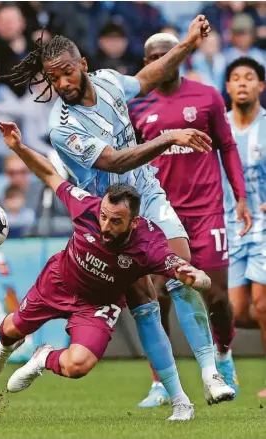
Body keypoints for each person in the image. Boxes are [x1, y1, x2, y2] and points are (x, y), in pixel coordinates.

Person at [1, 16, 231, 413]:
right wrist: (168, 137)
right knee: (144, 304)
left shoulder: (108, 81)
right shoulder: (62, 126)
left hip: (147, 194)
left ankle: (210, 373)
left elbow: (148, 76)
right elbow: (115, 162)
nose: (62, 85)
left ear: (83, 65)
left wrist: (190, 42)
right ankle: (177, 398)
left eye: (67, 74)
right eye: (53, 80)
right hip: (107, 218)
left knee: (183, 271)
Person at [0, 122, 234, 422]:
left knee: (77, 366)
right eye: (104, 216)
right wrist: (18, 147)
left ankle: (42, 359)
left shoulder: (147, 243)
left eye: (116, 221)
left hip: (98, 305)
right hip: (59, 283)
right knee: (11, 329)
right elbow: (49, 174)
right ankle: (4, 347)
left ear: (133, 223)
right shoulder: (86, 207)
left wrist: (193, 275)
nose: (105, 225)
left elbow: (175, 265)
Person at [128, 32, 251, 406]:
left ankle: (224, 353)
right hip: (159, 215)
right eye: (154, 57)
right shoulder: (136, 105)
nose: (161, 63)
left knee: (215, 294)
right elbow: (128, 161)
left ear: (179, 58)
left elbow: (227, 146)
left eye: (168, 56)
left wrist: (241, 196)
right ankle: (160, 382)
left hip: (207, 212)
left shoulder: (207, 97)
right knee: (156, 296)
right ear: (146, 63)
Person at [224, 57, 266, 398]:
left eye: (249, 78)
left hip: (265, 225)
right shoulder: (218, 127)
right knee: (236, 312)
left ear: (260, 86)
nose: (242, 83)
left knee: (263, 305)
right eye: (235, 78)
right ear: (227, 87)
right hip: (229, 225)